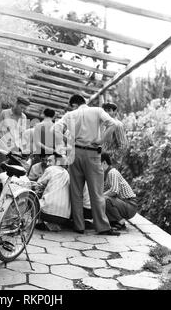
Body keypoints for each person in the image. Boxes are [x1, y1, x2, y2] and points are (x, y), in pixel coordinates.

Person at [54, 94, 121, 236]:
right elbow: (113, 124)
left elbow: (56, 128)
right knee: (96, 192)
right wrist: (101, 140)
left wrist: (69, 140)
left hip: (74, 153)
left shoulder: (70, 114)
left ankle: (79, 226)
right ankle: (102, 227)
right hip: (92, 153)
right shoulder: (97, 111)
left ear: (74, 105)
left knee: (76, 191)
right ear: (84, 102)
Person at [35, 153, 71, 231]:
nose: (47, 164)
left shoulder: (51, 169)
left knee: (32, 196)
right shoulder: (67, 173)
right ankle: (53, 225)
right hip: (64, 217)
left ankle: (40, 223)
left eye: (50, 161)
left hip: (47, 213)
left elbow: (38, 184)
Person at [101, 152, 137, 230]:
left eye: (98, 164)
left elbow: (114, 191)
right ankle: (114, 222)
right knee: (103, 199)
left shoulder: (112, 172)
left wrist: (100, 196)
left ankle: (120, 222)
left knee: (104, 199)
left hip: (130, 205)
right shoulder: (107, 174)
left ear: (104, 162)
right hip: (124, 204)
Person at [0, 96, 30, 171]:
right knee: (0, 170)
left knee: (11, 172)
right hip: (3, 148)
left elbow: (22, 135)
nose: (22, 110)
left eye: (24, 109)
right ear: (16, 104)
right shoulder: (4, 113)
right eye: (21, 107)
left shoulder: (24, 117)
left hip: (15, 152)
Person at [101, 102, 128, 168]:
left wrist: (113, 158)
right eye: (105, 111)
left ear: (115, 112)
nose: (107, 113)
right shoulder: (105, 125)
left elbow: (123, 146)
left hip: (112, 162)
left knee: (111, 177)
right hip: (103, 161)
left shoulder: (118, 125)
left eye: (109, 110)